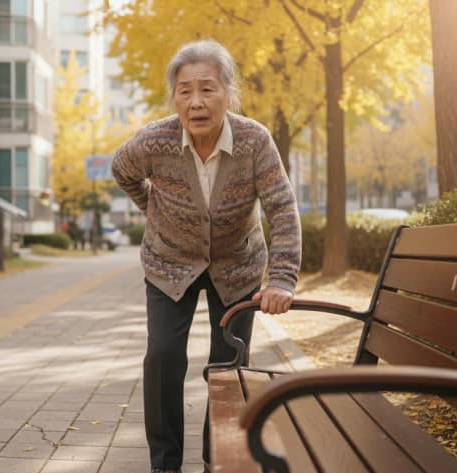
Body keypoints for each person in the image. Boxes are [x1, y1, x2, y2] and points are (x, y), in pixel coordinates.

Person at [111, 40, 301, 473]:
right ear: (174, 97)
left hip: (237, 265)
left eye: (208, 89)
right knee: (162, 356)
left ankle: (220, 460)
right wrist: (153, 208)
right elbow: (122, 171)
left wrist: (283, 278)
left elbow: (282, 209)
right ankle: (165, 465)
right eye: (185, 91)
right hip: (169, 263)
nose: (196, 102)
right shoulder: (154, 140)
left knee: (228, 366)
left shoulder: (254, 140)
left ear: (228, 93)